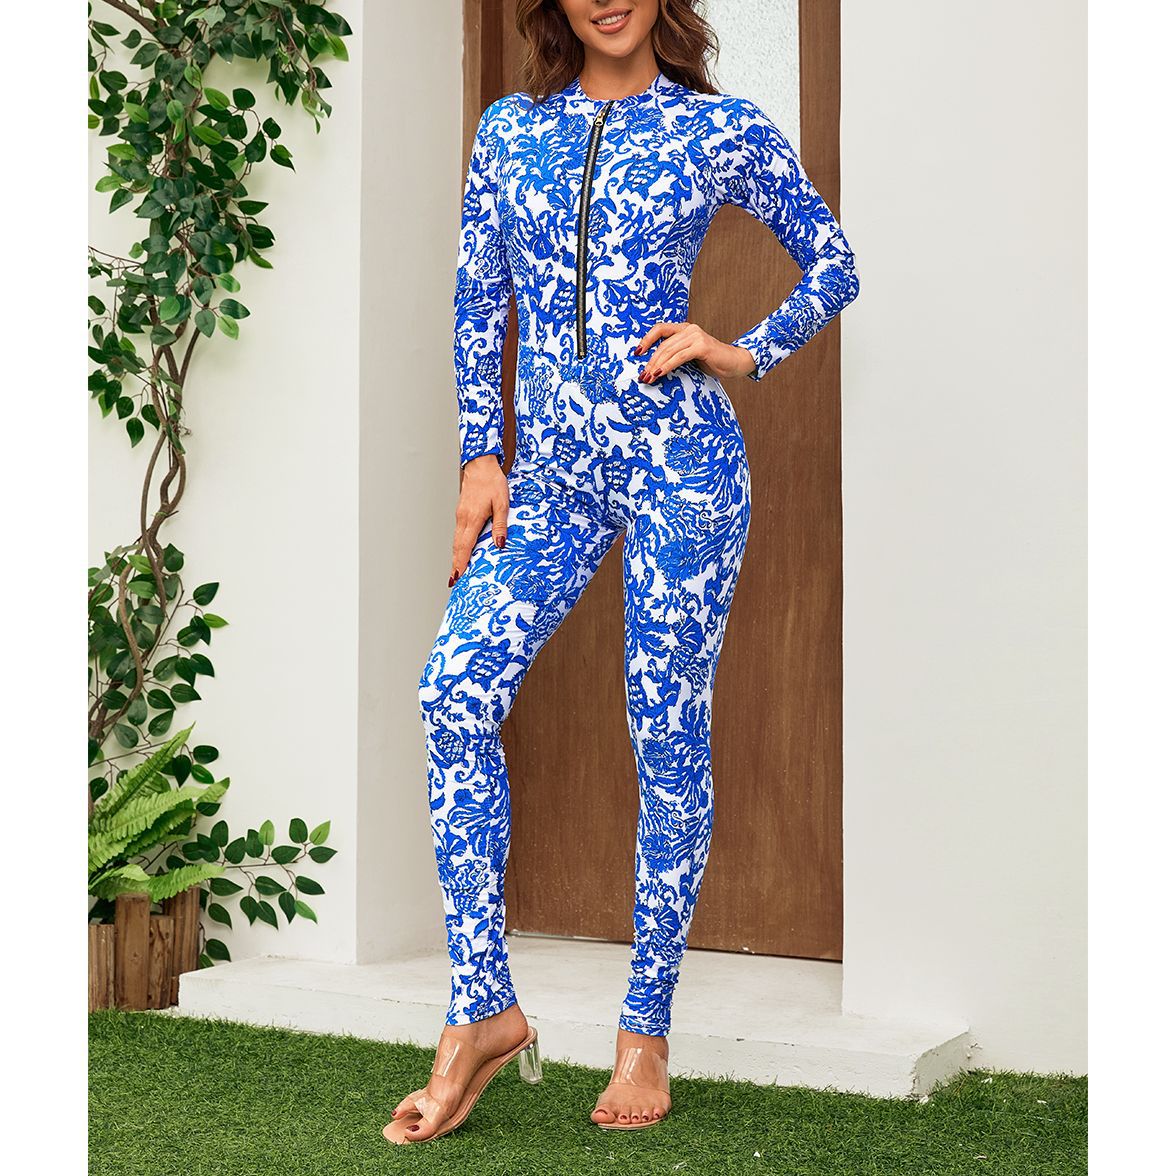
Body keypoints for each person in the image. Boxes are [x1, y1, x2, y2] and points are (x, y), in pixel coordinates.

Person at [384, 0, 859, 1145]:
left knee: (664, 730)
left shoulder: (714, 128)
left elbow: (833, 258)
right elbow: (479, 293)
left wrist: (739, 349)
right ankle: (481, 1009)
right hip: (549, 476)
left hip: (680, 464)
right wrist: (481, 456)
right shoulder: (510, 131)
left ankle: (645, 1027)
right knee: (453, 691)